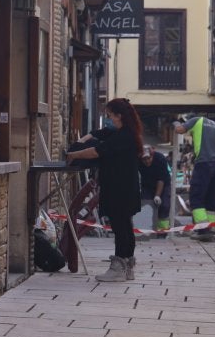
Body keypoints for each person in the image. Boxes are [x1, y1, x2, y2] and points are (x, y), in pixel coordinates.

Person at [66, 98, 144, 281]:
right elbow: (100, 134)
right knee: (125, 226)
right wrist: (85, 138)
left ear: (119, 116)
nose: (107, 118)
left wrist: (73, 154)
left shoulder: (123, 137)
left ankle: (118, 269)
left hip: (119, 188)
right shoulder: (126, 133)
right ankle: (127, 266)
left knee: (120, 227)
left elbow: (96, 152)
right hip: (127, 188)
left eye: (109, 115)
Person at [174, 114, 215, 227]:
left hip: (204, 163)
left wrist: (177, 124)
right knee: (211, 199)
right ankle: (210, 227)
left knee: (196, 197)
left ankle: (202, 229)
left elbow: (180, 130)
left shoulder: (196, 121)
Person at [139, 146, 172, 231]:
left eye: (149, 158)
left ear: (152, 156)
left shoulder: (160, 159)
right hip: (147, 185)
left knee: (164, 205)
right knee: (146, 204)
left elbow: (161, 179)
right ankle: (148, 228)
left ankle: (162, 230)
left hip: (163, 184)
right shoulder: (138, 160)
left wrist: (157, 195)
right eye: (144, 159)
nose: (147, 161)